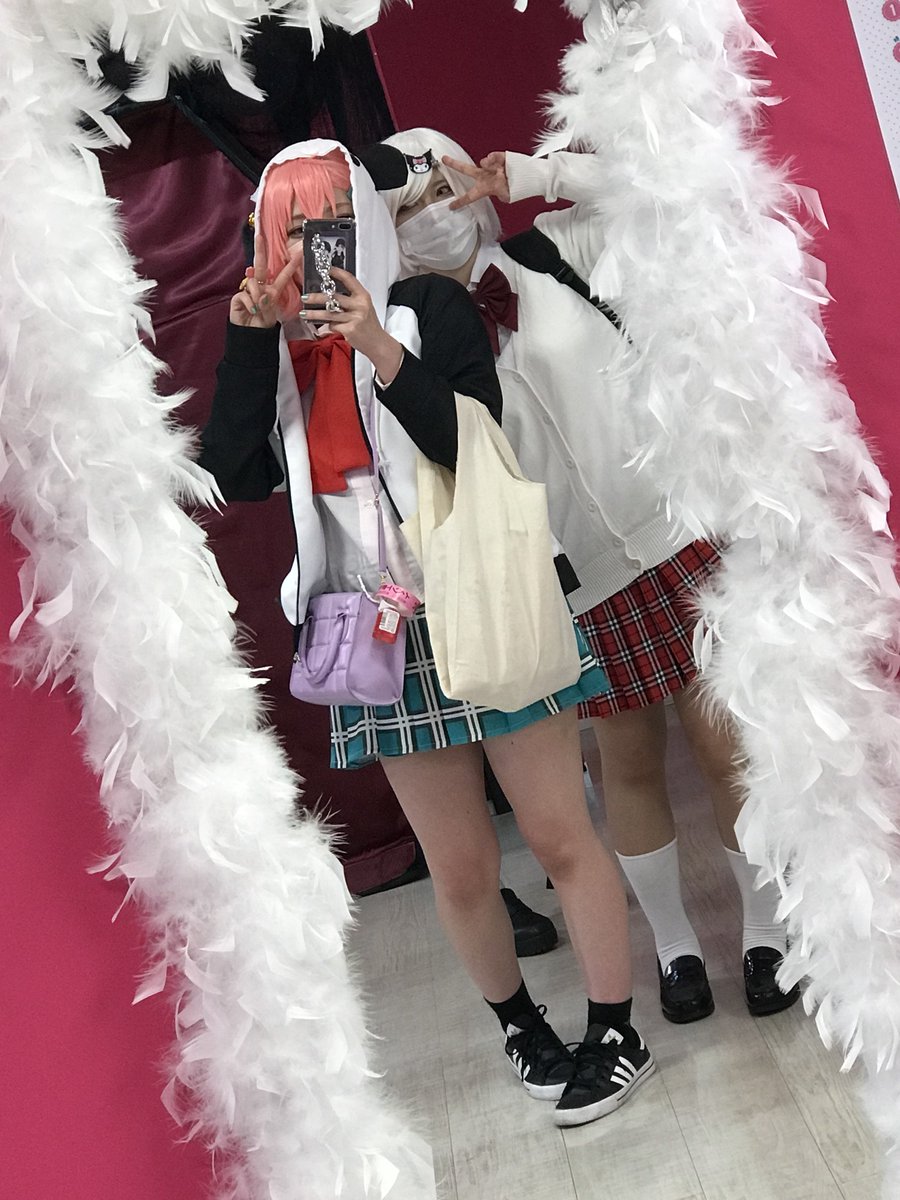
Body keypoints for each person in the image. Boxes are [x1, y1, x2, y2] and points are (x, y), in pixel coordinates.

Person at [198, 139, 656, 1127]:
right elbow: (232, 472)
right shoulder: (279, 356)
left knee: (556, 831)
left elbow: (470, 440)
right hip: (371, 628)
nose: (309, 250)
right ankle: (522, 1028)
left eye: (325, 224)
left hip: (485, 593)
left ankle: (618, 1030)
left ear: (360, 222)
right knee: (459, 865)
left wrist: (375, 346)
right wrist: (247, 341)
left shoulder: (426, 309)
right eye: (287, 230)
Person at [376, 128, 800, 1024]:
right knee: (626, 764)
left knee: (725, 745)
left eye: (442, 190)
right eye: (406, 210)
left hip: (675, 531)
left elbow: (662, 187)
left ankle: (766, 935)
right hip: (570, 576)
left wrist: (537, 175)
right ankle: (676, 954)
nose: (434, 216)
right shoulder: (403, 342)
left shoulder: (557, 249)